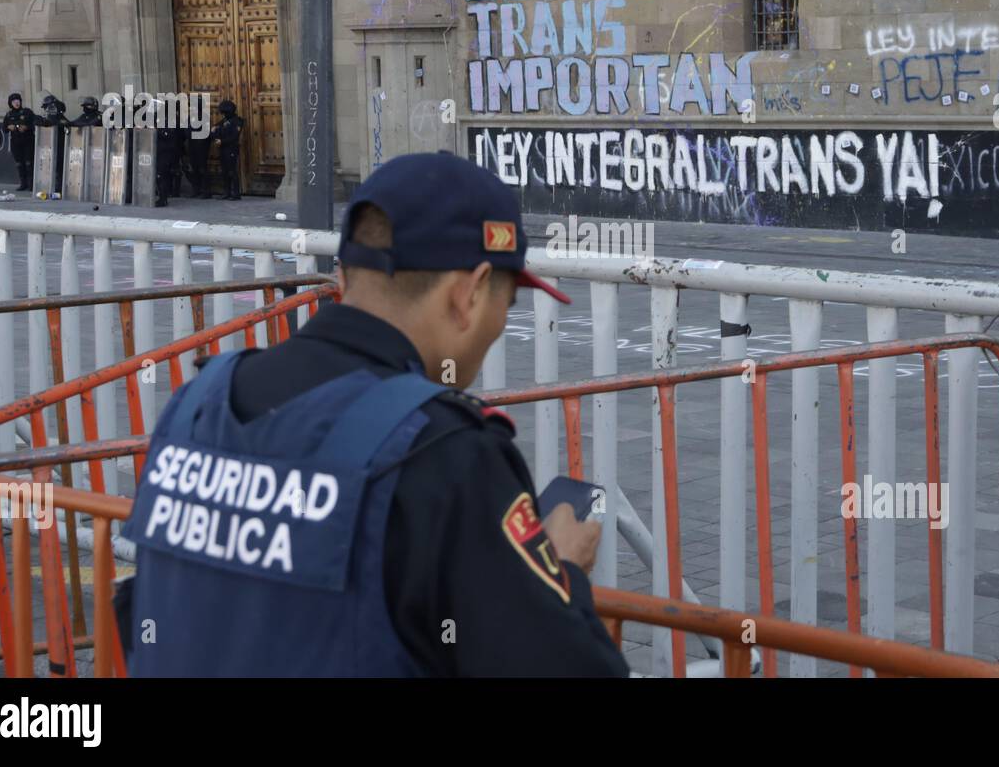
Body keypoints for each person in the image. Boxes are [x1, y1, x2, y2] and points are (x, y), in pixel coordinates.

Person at [120, 152, 629, 677]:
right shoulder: (447, 452)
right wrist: (563, 573)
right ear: (471, 293)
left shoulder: (195, 404)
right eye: (508, 299)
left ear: (344, 273)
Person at [1, 93, 37, 191]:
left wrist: (27, 127)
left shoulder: (27, 112)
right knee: (19, 163)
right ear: (10, 103)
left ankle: (31, 184)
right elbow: (4, 128)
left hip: (28, 141)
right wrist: (9, 126)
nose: (16, 103)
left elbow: (35, 123)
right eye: (14, 101)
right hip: (16, 143)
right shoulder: (9, 115)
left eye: (18, 101)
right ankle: (23, 183)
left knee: (29, 163)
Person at [212, 99, 242, 200]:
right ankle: (227, 192)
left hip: (231, 149)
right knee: (224, 171)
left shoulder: (237, 121)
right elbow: (216, 128)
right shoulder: (224, 121)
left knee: (232, 171)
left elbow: (234, 136)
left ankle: (236, 193)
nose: (223, 115)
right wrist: (215, 132)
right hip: (223, 149)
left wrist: (222, 141)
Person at [153, 122, 178, 208]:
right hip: (158, 153)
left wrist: (157, 130)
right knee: (159, 176)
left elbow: (168, 136)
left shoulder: (168, 125)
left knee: (162, 176)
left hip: (165, 155)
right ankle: (161, 197)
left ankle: (163, 199)